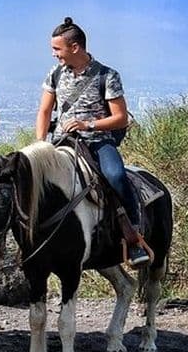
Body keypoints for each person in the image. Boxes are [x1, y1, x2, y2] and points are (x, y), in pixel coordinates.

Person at [35, 17, 149, 267]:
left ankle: (134, 237)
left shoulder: (107, 75)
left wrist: (88, 125)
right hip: (62, 142)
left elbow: (120, 118)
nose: (54, 54)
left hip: (98, 141)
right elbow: (44, 111)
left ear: (74, 47)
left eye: (57, 49)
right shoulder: (55, 74)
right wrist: (40, 144)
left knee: (116, 175)